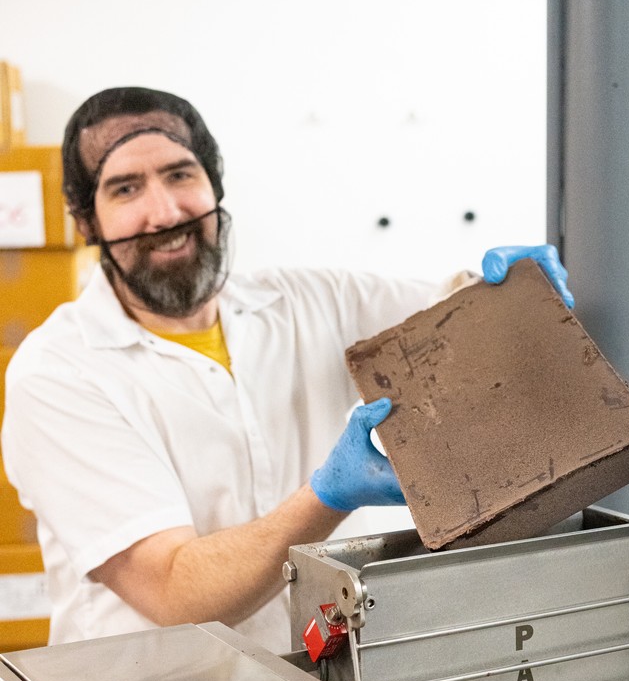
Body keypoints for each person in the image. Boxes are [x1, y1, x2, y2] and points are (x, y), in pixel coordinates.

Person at [0, 87, 574, 652]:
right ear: (86, 222)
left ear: (214, 187)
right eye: (125, 188)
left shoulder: (304, 300)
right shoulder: (57, 375)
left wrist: (513, 292)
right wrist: (328, 495)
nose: (165, 211)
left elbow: (456, 318)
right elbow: (176, 592)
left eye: (180, 175)